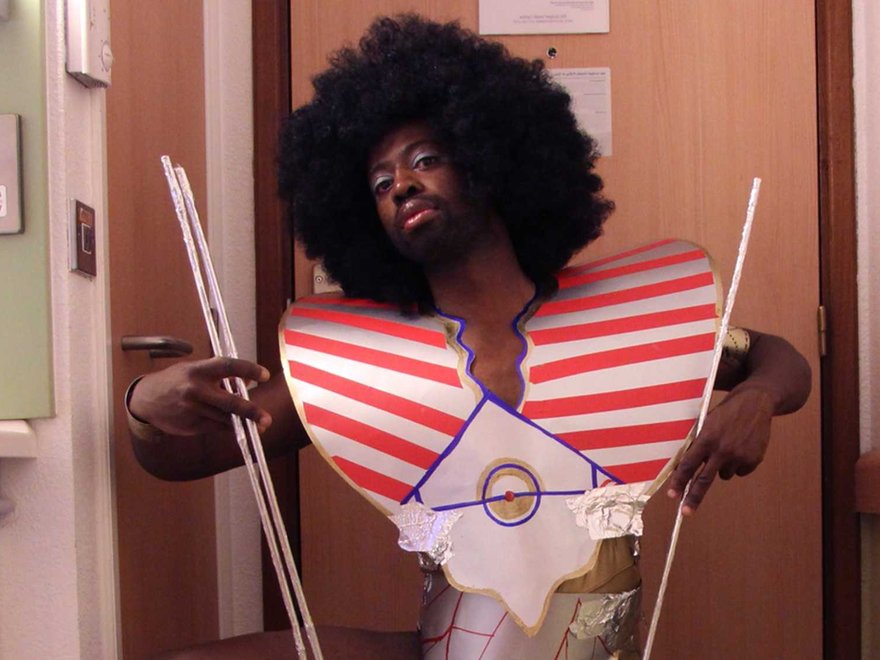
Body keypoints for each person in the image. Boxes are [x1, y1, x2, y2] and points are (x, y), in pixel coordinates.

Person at [127, 15, 811, 659]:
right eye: (379, 181)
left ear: (491, 157)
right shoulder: (368, 365)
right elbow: (188, 454)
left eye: (426, 158)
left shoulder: (624, 319)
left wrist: (756, 397)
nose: (401, 185)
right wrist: (145, 404)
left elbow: (782, 361)